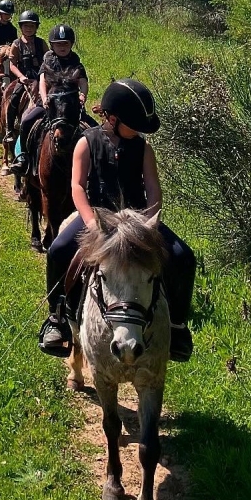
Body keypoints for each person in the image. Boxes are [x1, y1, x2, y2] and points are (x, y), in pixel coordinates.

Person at [39, 79, 195, 362]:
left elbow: (153, 190)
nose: (138, 132)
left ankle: (177, 326)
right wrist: (90, 222)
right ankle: (57, 318)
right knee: (59, 250)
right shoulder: (87, 143)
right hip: (99, 218)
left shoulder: (144, 149)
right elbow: (77, 187)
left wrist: (148, 224)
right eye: (133, 125)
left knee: (183, 257)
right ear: (112, 118)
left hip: (137, 222)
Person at [8, 23, 88, 175]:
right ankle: (23, 158)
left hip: (70, 106)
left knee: (93, 128)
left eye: (65, 44)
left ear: (71, 44)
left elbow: (83, 81)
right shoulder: (48, 60)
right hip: (49, 104)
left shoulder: (75, 61)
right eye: (58, 44)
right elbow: (42, 81)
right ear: (52, 45)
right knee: (26, 121)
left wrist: (82, 95)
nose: (62, 47)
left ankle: (96, 166)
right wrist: (44, 98)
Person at [3, 10, 48, 162]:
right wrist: (21, 77)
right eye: (26, 26)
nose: (29, 29)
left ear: (36, 27)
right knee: (14, 97)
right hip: (24, 78)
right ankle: (9, 130)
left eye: (32, 26)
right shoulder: (16, 44)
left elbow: (47, 61)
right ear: (21, 27)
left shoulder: (41, 43)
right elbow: (12, 65)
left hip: (40, 78)